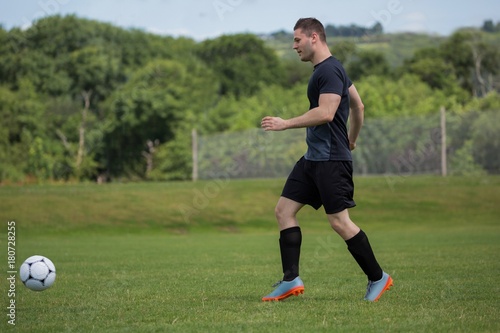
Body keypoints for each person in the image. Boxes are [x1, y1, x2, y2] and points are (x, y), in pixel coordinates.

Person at [260, 18, 393, 302]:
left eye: (297, 40)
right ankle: (290, 279)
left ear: (314, 38)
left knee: (339, 222)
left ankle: (378, 277)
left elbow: (326, 113)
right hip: (313, 159)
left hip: (331, 160)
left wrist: (285, 124)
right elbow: (358, 105)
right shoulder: (332, 69)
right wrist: (352, 139)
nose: (294, 46)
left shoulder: (330, 70)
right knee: (284, 211)